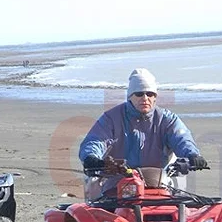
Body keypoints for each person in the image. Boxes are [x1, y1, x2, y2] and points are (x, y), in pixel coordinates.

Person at [79, 68, 207, 195]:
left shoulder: (168, 119)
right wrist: (91, 158)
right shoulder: (111, 118)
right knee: (96, 197)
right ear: (130, 96)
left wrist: (192, 155)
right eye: (139, 94)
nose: (145, 98)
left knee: (179, 204)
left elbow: (182, 138)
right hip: (117, 182)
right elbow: (95, 140)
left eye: (150, 94)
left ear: (155, 97)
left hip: (159, 181)